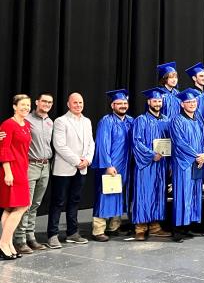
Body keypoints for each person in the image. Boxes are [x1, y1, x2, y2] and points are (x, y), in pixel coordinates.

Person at [47, 93, 94, 248]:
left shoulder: (87, 121)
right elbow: (59, 145)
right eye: (75, 103)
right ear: (68, 104)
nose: (78, 105)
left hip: (82, 169)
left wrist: (87, 160)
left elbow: (91, 143)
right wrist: (77, 161)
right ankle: (52, 235)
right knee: (58, 201)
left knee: (74, 201)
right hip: (64, 169)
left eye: (80, 102)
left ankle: (72, 233)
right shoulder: (61, 121)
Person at [91, 89, 134, 242]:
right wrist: (108, 165)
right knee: (105, 195)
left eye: (125, 103)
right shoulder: (106, 121)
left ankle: (114, 227)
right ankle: (98, 230)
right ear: (112, 105)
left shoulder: (130, 121)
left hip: (125, 165)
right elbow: (102, 145)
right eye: (119, 103)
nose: (123, 106)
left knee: (119, 195)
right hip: (111, 165)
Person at [14, 92, 54, 254]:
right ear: (37, 102)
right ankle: (20, 239)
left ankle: (30, 236)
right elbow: (12, 130)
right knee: (26, 204)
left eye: (50, 102)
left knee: (36, 204)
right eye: (44, 101)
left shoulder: (50, 122)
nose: (47, 104)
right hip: (30, 165)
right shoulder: (26, 119)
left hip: (45, 166)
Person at [130, 88, 172, 241]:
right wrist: (151, 155)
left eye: (159, 101)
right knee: (143, 194)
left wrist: (169, 163)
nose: (157, 103)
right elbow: (136, 142)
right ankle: (140, 227)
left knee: (158, 194)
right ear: (149, 102)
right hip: (146, 165)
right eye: (155, 101)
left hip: (161, 165)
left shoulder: (166, 120)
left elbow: (170, 142)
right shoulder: (141, 120)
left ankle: (155, 226)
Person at [170, 88, 204, 241]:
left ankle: (187, 227)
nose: (192, 104)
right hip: (183, 163)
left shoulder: (198, 120)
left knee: (193, 195)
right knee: (182, 194)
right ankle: (178, 229)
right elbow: (179, 142)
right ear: (182, 104)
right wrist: (196, 155)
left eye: (194, 101)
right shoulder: (177, 120)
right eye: (189, 102)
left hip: (197, 163)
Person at [0, 95, 33, 260]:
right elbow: (4, 149)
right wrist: (8, 172)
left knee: (10, 208)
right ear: (14, 106)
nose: (26, 108)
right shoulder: (8, 124)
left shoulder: (26, 125)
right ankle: (3, 243)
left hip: (22, 168)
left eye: (28, 105)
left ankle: (8, 244)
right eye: (22, 105)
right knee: (21, 206)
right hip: (12, 170)